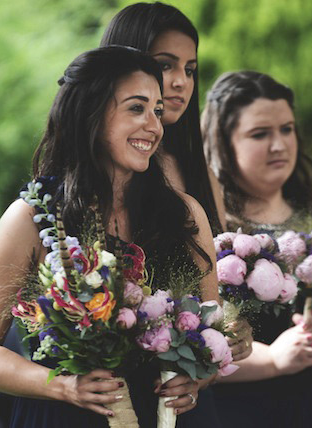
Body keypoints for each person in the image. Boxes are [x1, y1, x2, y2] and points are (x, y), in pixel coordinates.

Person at [0, 46, 219, 428]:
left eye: (158, 110)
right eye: (136, 108)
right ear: (91, 115)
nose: (154, 125)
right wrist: (64, 386)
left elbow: (212, 336)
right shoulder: (32, 217)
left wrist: (197, 377)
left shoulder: (184, 215)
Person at [202, 70, 312, 428]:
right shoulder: (206, 225)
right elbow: (184, 345)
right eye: (260, 134)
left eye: (286, 129)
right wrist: (272, 361)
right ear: (223, 141)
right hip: (231, 414)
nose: (279, 144)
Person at [100, 1, 253, 366]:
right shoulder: (96, 179)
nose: (181, 81)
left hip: (188, 386)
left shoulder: (197, 171)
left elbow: (213, 299)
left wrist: (231, 329)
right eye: (165, 65)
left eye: (190, 69)